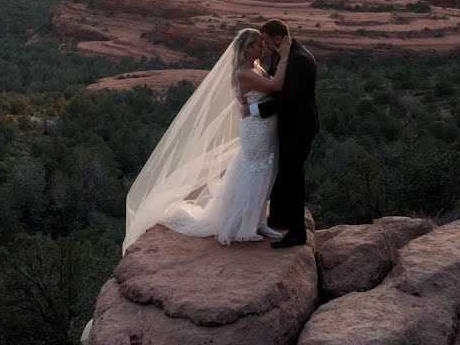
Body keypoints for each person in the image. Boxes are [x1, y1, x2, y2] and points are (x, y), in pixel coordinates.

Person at [122, 28, 292, 250]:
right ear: (248, 48)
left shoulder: (255, 67)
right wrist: (286, 57)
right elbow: (275, 86)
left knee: (261, 175)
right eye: (258, 44)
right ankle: (244, 228)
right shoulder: (243, 72)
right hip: (255, 131)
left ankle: (258, 222)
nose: (262, 47)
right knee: (254, 175)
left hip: (263, 127)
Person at [254, 19, 319, 249]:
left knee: (293, 178)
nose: (266, 46)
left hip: (299, 128)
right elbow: (274, 82)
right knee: (285, 174)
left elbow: (289, 98)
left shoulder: (299, 60)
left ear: (279, 39)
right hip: (289, 126)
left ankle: (297, 232)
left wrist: (256, 110)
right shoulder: (284, 56)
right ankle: (280, 219)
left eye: (267, 41)